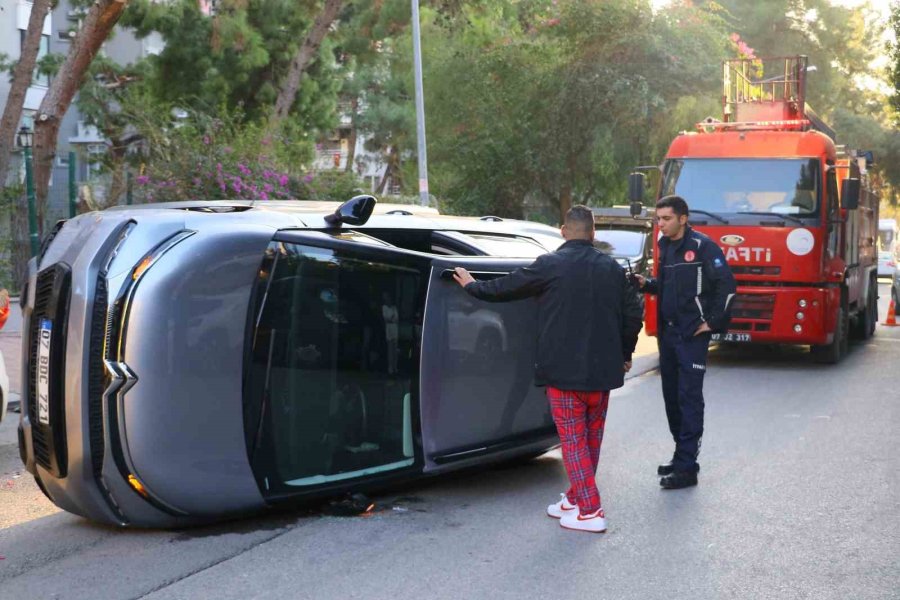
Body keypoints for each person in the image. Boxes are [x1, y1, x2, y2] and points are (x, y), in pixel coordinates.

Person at [452, 205, 643, 533]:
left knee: (573, 441)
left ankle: (590, 511)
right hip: (603, 375)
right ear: (593, 233)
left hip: (564, 374)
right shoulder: (613, 269)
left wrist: (471, 285)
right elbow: (633, 316)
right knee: (590, 440)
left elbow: (506, 288)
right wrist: (625, 354)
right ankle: (573, 498)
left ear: (563, 231)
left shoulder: (550, 265)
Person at [634, 195, 736, 490]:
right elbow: (666, 287)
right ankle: (683, 456)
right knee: (672, 399)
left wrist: (712, 323)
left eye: (666, 219)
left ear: (683, 218)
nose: (660, 224)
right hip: (668, 336)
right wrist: (645, 284)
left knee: (689, 399)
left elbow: (727, 286)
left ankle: (687, 468)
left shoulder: (703, 247)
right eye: (658, 219)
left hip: (692, 337)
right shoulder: (665, 247)